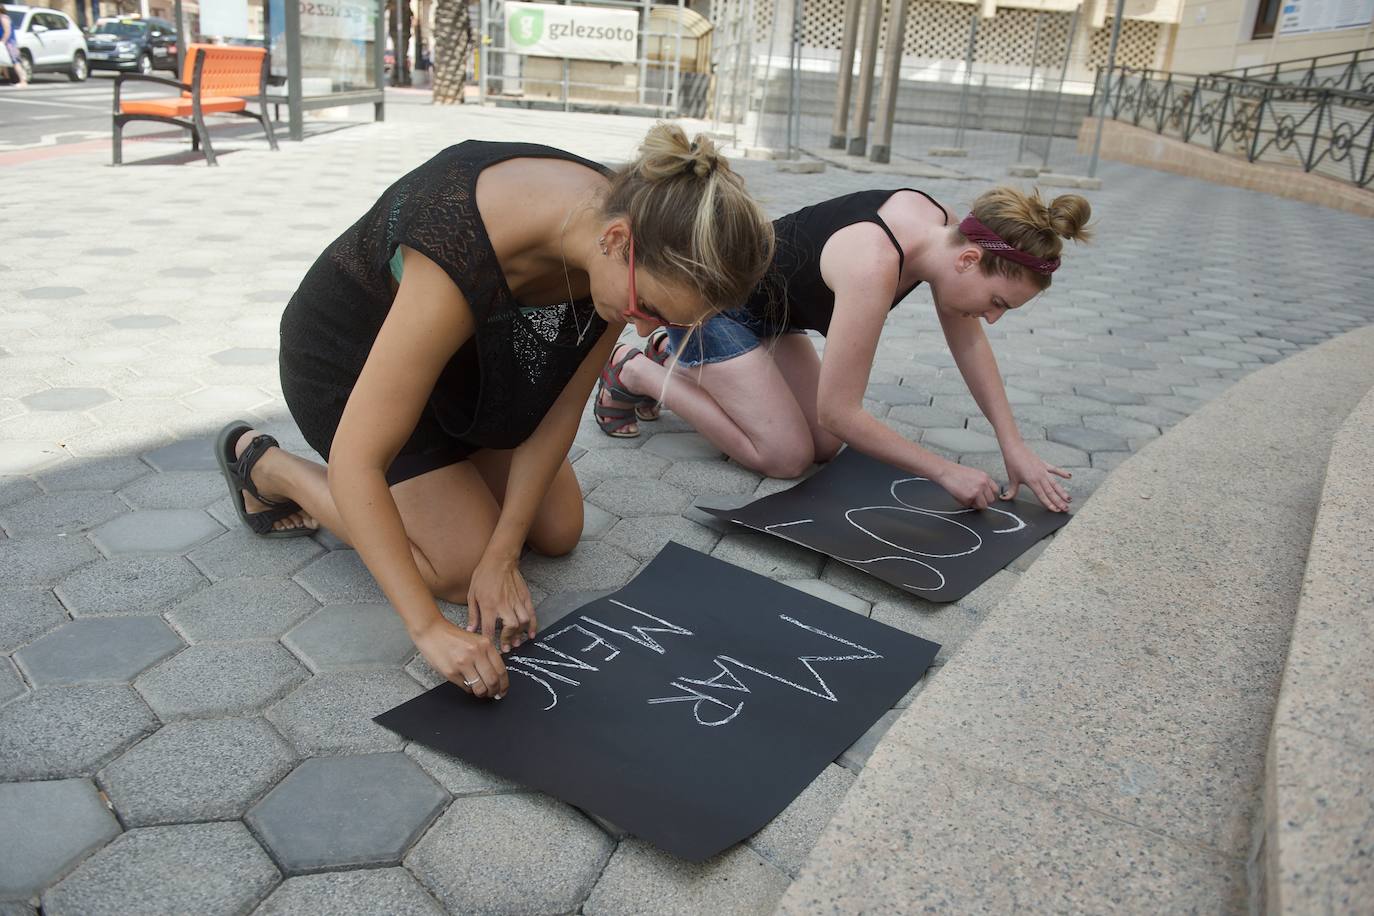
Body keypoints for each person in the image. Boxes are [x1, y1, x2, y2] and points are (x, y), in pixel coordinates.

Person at [213, 126, 774, 701]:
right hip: (349, 357)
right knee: (456, 571)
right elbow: (361, 461)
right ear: (617, 240)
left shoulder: (639, 234)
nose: (645, 327)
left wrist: (504, 555)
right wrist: (429, 629)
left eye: (669, 323)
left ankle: (455, 495)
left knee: (556, 532)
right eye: (647, 308)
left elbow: (556, 413)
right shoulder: (460, 241)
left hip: (468, 362)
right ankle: (268, 468)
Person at [594, 186, 1091, 513]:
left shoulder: (945, 231)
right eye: (998, 302)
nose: (993, 318)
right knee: (786, 456)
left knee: (824, 449)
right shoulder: (873, 262)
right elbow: (840, 411)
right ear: (968, 259)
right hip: (711, 307)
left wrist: (1014, 446)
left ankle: (686, 362)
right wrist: (945, 470)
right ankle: (638, 370)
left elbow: (970, 347)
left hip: (772, 315)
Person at [1, 6, 27, 88]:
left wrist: (2, 42)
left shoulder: (4, 18)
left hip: (10, 44)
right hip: (7, 43)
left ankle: (23, 81)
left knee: (16, 62)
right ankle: (7, 78)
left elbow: (7, 32)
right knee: (4, 62)